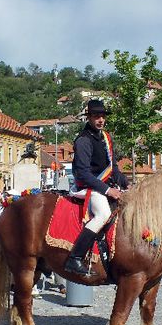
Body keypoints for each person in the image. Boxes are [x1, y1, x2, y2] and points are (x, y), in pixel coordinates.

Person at [64, 99, 128, 276]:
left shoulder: (106, 138)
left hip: (105, 184)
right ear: (89, 118)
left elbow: (113, 167)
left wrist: (127, 184)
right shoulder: (83, 140)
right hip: (88, 186)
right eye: (96, 116)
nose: (100, 120)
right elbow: (83, 173)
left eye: (102, 116)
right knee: (103, 214)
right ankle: (75, 258)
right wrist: (108, 190)